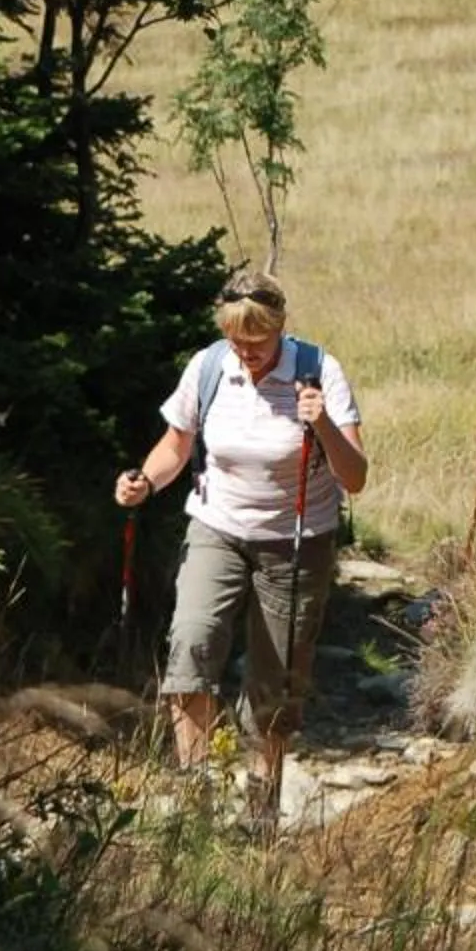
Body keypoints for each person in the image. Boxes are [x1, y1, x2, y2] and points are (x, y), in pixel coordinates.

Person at [114, 269, 367, 812]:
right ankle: (193, 792)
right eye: (235, 339)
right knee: (191, 641)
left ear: (280, 328)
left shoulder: (319, 371)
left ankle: (261, 804)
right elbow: (176, 446)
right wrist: (143, 482)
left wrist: (321, 424)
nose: (245, 351)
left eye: (256, 341)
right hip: (217, 526)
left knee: (275, 679)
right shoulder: (208, 367)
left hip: (297, 539)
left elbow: (355, 477)